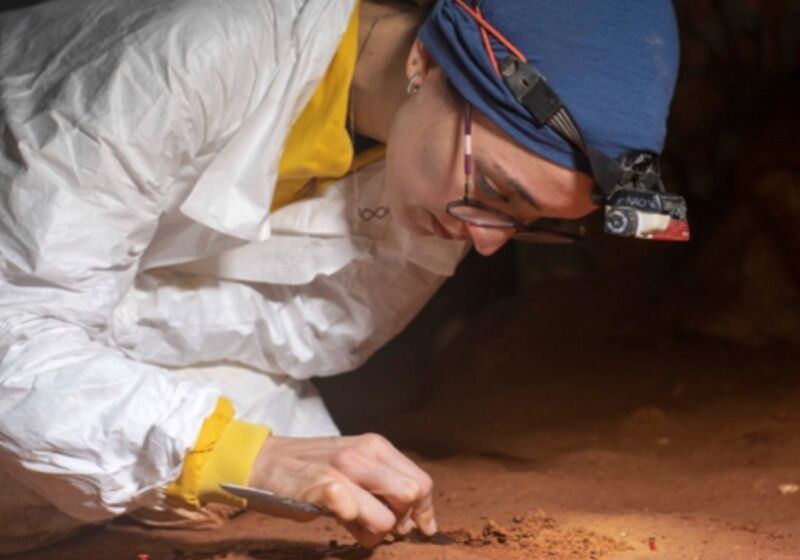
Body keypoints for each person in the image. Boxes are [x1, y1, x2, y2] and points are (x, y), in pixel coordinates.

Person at [0, 0, 681, 553]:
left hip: (74, 314)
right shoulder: (193, 55)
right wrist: (236, 454)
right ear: (427, 60)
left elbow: (303, 341)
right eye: (500, 189)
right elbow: (15, 329)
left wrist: (226, 443)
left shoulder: (443, 178)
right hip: (17, 308)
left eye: (529, 221)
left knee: (272, 443)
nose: (488, 238)